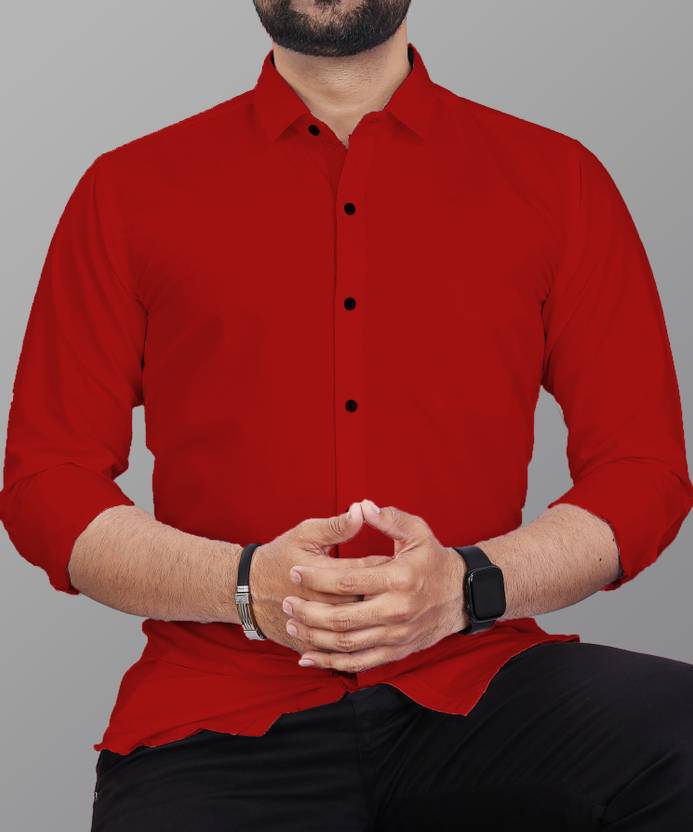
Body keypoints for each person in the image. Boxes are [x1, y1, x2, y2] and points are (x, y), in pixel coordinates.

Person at [1, 1, 692, 829]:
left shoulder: (558, 179)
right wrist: (245, 586)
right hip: (214, 712)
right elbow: (48, 483)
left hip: (478, 684)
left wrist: (465, 586)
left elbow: (642, 472)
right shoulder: (125, 190)